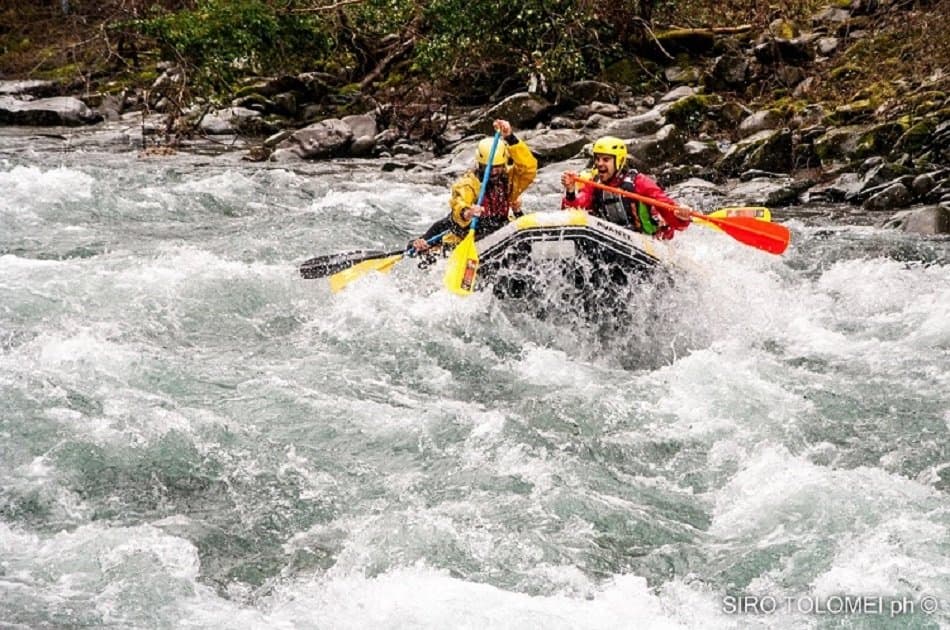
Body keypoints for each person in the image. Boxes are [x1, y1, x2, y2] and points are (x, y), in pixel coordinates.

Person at [412, 119, 537, 252]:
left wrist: (510, 137)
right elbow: (459, 204)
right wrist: (467, 212)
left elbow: (529, 169)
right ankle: (420, 246)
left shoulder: (509, 180)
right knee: (436, 232)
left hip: (496, 229)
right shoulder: (468, 184)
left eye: (498, 167)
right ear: (479, 164)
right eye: (489, 168)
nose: (493, 172)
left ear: (504, 163)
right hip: (463, 232)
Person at [560, 136, 690, 240]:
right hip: (610, 237)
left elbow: (669, 211)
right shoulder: (594, 183)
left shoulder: (639, 182)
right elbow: (575, 210)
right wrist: (570, 191)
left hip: (648, 240)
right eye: (597, 159)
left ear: (619, 161)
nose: (600, 164)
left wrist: (681, 216)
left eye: (606, 160)